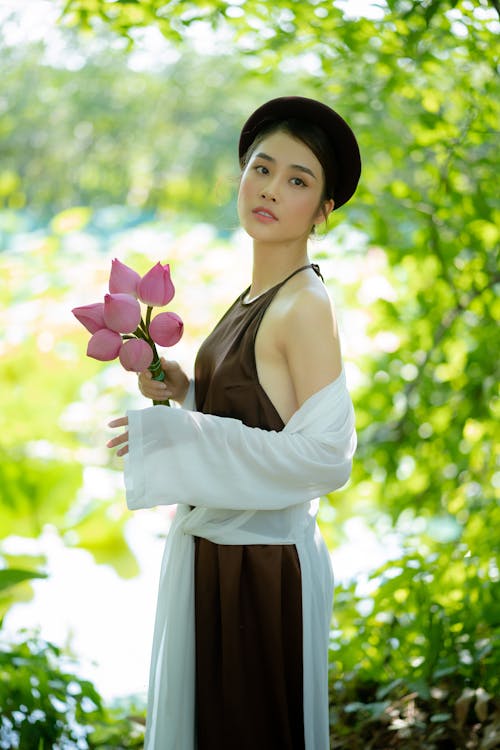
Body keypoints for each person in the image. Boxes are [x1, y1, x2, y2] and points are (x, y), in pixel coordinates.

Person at [107, 96, 361, 750]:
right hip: (219, 557)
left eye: (298, 180)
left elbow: (326, 457)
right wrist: (186, 394)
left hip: (261, 571)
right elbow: (253, 418)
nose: (271, 189)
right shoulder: (255, 296)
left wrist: (179, 437)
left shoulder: (305, 304)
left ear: (324, 210)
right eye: (261, 168)